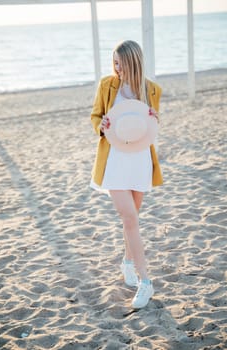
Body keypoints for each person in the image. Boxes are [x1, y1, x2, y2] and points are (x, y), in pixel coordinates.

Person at [90, 40, 163, 309]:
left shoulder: (151, 90)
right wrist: (102, 125)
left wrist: (155, 118)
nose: (116, 68)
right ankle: (145, 281)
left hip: (140, 160)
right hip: (115, 161)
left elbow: (150, 126)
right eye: (114, 62)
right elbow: (95, 116)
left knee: (132, 219)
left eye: (120, 63)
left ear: (133, 62)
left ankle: (127, 263)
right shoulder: (107, 86)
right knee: (130, 218)